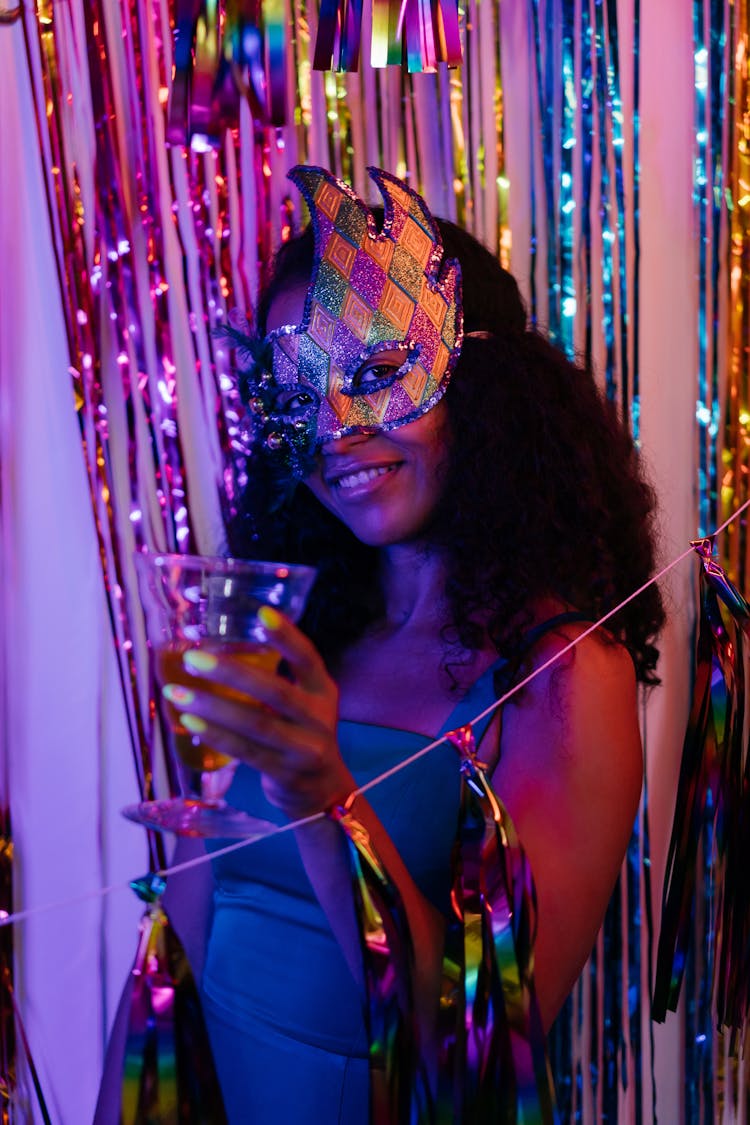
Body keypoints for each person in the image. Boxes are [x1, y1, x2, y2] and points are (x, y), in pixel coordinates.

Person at [164, 165, 665, 1122]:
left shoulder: (564, 673)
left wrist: (324, 796)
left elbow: (479, 1052)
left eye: (380, 372)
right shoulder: (303, 634)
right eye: (297, 393)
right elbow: (192, 927)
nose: (336, 431)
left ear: (482, 385)